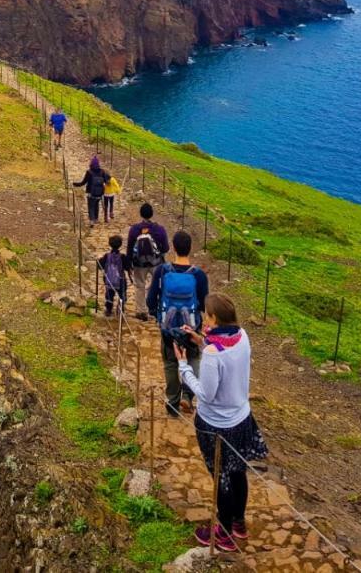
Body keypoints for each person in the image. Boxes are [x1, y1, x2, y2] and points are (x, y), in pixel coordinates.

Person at [174, 294, 269, 551]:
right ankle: (238, 523)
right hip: (241, 418)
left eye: (206, 314)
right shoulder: (242, 337)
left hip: (216, 425)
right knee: (238, 472)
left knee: (221, 477)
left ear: (214, 318)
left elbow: (206, 393)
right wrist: (201, 340)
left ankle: (224, 533)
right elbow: (224, 348)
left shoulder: (214, 354)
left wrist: (184, 367)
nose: (204, 317)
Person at [146, 229, 208, 417]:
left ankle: (172, 402)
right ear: (190, 249)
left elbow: (151, 298)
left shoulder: (162, 270)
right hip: (192, 328)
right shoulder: (198, 275)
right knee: (194, 358)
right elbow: (204, 302)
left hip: (168, 328)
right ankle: (188, 396)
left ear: (173, 247)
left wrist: (155, 315)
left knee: (170, 362)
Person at [125, 204, 169, 321]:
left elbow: (129, 248)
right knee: (157, 286)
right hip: (156, 263)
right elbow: (165, 248)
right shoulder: (159, 229)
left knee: (140, 285)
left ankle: (141, 311)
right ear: (152, 214)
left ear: (141, 214)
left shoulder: (134, 229)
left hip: (139, 263)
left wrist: (129, 263)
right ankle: (156, 309)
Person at [71, 156, 110, 225]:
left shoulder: (89, 172)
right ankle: (96, 218)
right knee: (96, 205)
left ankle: (91, 220)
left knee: (91, 206)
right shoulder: (102, 171)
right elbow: (107, 181)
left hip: (90, 193)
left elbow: (82, 183)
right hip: (99, 193)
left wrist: (74, 184)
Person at [97, 234, 127, 317]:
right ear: (120, 245)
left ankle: (109, 309)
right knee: (122, 294)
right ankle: (121, 308)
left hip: (109, 279)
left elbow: (99, 265)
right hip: (121, 279)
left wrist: (98, 259)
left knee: (109, 294)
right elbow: (128, 267)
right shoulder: (122, 257)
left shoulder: (107, 256)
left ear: (110, 244)